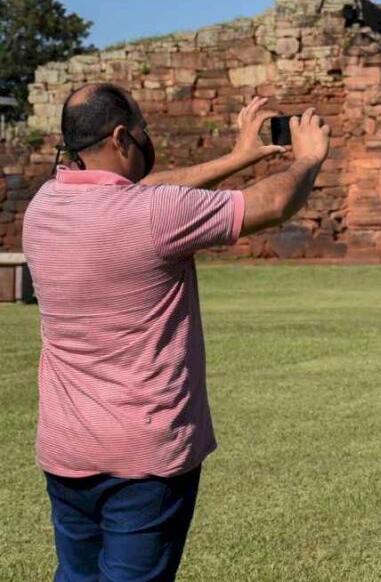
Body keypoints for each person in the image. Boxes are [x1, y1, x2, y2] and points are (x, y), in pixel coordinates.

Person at [22, 84, 331, 582]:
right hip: (145, 458)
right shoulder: (156, 216)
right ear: (122, 137)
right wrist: (309, 160)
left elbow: (140, 188)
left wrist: (236, 157)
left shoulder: (43, 207)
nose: (148, 139)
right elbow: (271, 204)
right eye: (143, 129)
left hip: (68, 450)